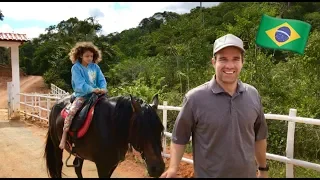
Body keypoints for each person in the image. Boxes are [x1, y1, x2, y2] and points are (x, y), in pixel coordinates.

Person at [160, 34, 268, 178]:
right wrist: (173, 168)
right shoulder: (195, 98)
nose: (229, 65)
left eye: (235, 59)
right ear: (213, 62)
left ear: (242, 62)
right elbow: (180, 137)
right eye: (223, 59)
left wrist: (263, 169)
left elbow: (259, 136)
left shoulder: (253, 94)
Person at [59, 41, 107, 150]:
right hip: (82, 95)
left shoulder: (95, 67)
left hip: (97, 94)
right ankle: (64, 135)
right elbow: (80, 84)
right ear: (80, 55)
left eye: (91, 56)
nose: (90, 58)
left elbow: (101, 79)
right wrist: (92, 89)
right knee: (72, 112)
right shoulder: (76, 68)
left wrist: (103, 88)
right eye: (87, 56)